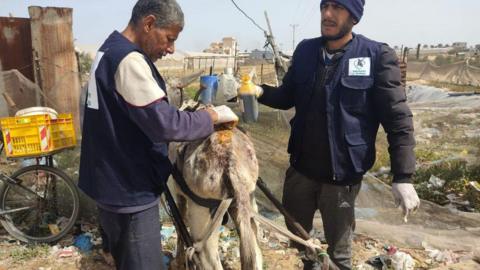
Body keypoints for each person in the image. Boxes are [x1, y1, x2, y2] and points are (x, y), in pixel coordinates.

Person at [254, 0, 420, 269]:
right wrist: (258, 91)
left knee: (339, 254)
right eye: (324, 6)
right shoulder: (307, 51)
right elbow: (286, 96)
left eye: (337, 7)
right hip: (301, 171)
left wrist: (403, 177)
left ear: (354, 16)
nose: (327, 14)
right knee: (302, 244)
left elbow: (397, 118)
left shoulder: (375, 55)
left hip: (341, 178)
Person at [78, 0, 237, 269]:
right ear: (149, 24)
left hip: (109, 182)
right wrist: (209, 117)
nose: (171, 49)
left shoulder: (107, 51)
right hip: (129, 189)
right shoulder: (128, 61)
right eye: (169, 38)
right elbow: (166, 125)